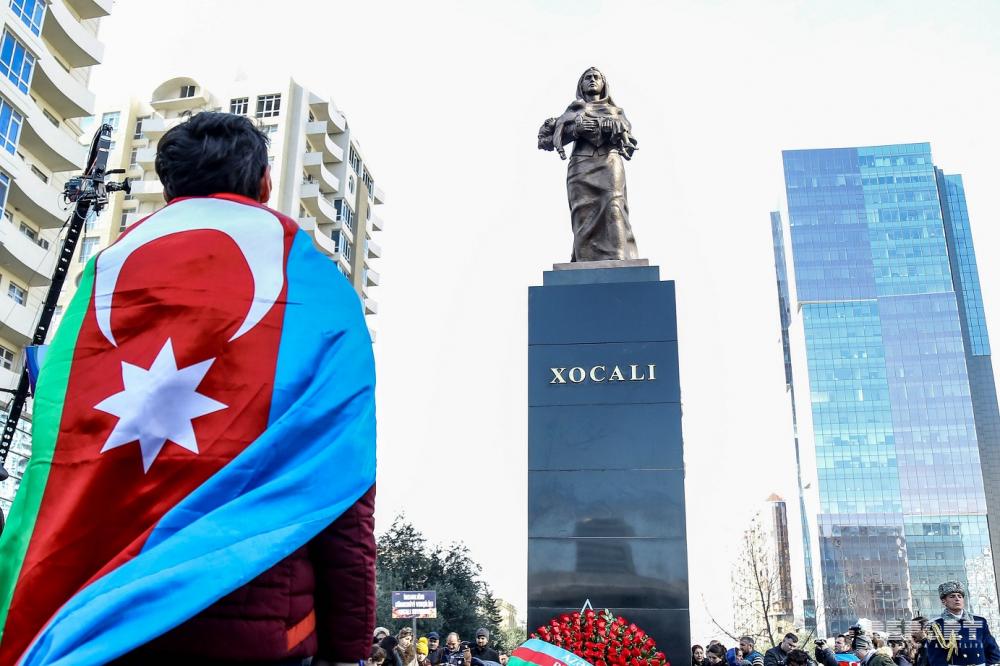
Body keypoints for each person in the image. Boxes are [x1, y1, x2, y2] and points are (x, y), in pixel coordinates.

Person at [0, 111, 377, 666]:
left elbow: (51, 464)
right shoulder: (319, 290)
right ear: (264, 182)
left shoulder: (101, 281)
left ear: (169, 186)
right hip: (263, 632)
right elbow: (344, 491)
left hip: (99, 629)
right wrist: (349, 650)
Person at [925, 580, 1000, 666]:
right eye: (952, 596)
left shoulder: (979, 621)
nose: (957, 599)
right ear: (944, 601)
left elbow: (993, 650)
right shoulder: (936, 625)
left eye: (960, 596)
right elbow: (936, 658)